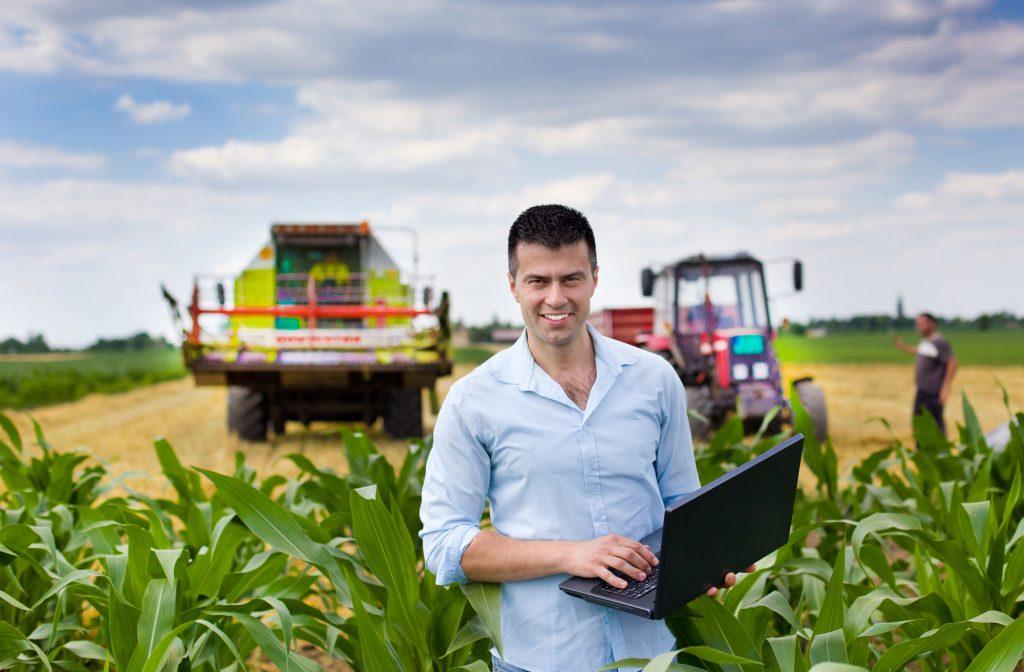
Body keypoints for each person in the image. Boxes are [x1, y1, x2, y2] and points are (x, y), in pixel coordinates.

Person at [419, 205, 752, 672]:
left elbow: (681, 502)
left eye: (571, 279)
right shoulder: (474, 402)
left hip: (650, 655)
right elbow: (444, 545)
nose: (556, 297)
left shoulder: (654, 380)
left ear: (595, 278)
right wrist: (572, 554)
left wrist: (709, 558)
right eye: (538, 281)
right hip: (539, 658)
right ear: (513, 285)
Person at [894, 312, 958, 435]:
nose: (918, 327)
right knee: (920, 426)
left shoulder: (940, 342)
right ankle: (921, 452)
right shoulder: (926, 342)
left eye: (921, 324)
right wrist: (904, 347)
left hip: (933, 394)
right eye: (917, 324)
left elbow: (952, 363)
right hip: (922, 392)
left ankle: (940, 452)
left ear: (932, 324)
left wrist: (945, 388)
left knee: (935, 427)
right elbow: (922, 351)